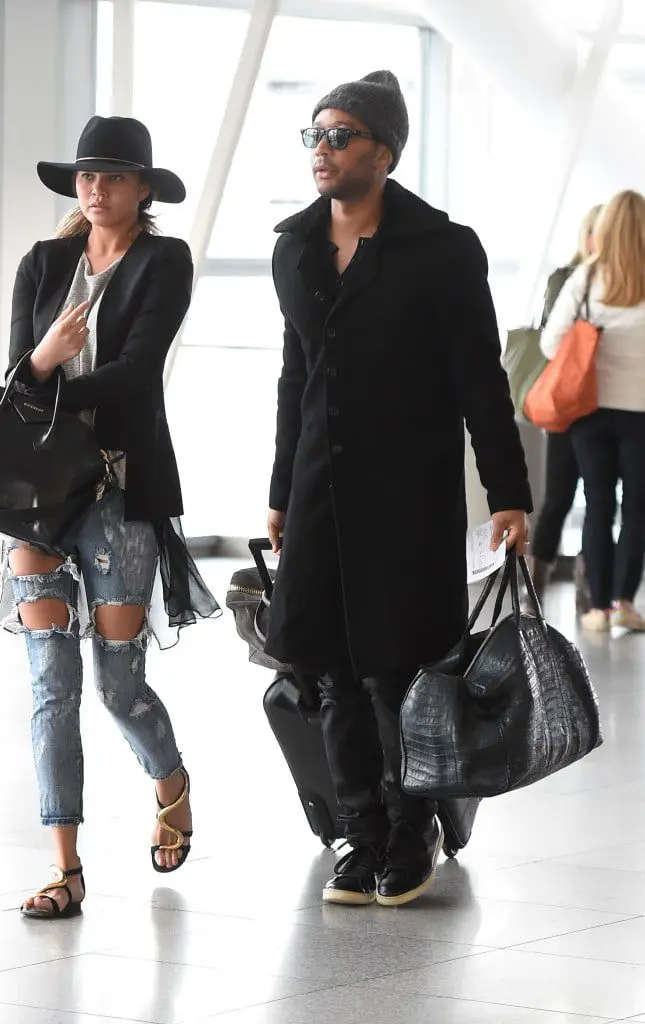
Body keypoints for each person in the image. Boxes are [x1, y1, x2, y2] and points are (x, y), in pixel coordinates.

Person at [265, 71, 531, 907]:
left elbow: (478, 382)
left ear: (384, 152)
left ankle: (411, 827)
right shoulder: (295, 248)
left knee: (397, 670)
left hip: (406, 495)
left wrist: (509, 495)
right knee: (329, 671)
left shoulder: (443, 250)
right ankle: (359, 830)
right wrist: (278, 490)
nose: (322, 149)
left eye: (340, 135)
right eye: (313, 134)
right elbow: (293, 378)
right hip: (317, 492)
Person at [0, 116, 219, 918]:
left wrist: (44, 376)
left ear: (142, 189)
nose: (95, 189)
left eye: (113, 177)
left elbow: (135, 375)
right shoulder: (44, 262)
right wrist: (41, 362)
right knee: (49, 687)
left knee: (117, 687)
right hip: (38, 499)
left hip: (121, 491)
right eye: (86, 177)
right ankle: (65, 869)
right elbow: (12, 373)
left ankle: (169, 779)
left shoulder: (164, 260)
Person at [541, 190, 645, 633]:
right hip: (641, 412)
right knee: (638, 508)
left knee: (599, 505)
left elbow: (550, 344)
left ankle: (598, 609)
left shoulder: (586, 278)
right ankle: (625, 601)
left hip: (590, 411)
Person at [527, 203, 603, 613]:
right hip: (565, 402)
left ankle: (588, 583)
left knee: (599, 497)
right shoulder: (566, 278)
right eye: (596, 231)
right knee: (558, 494)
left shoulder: (623, 279)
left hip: (600, 403)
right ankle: (536, 581)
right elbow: (553, 336)